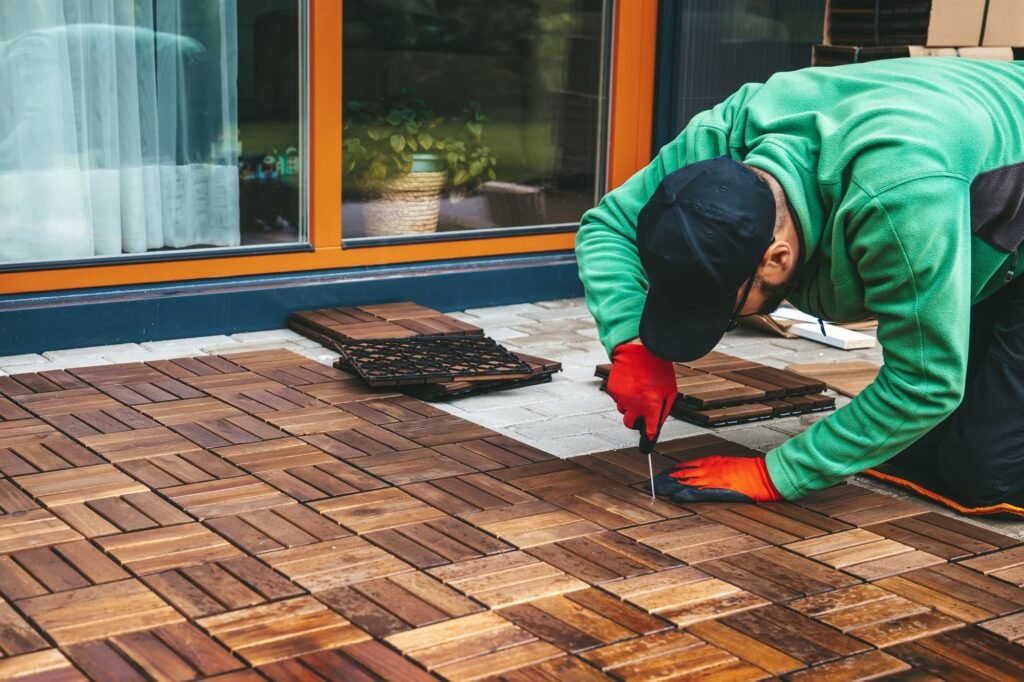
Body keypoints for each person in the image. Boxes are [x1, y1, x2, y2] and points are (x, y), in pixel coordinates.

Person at [576, 57, 1024, 506]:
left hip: (961, 174)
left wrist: (775, 475)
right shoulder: (722, 143)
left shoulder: (900, 203)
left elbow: (925, 385)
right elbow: (608, 226)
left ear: (776, 259)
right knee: (916, 450)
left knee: (985, 475)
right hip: (972, 182)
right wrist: (632, 343)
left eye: (723, 309)